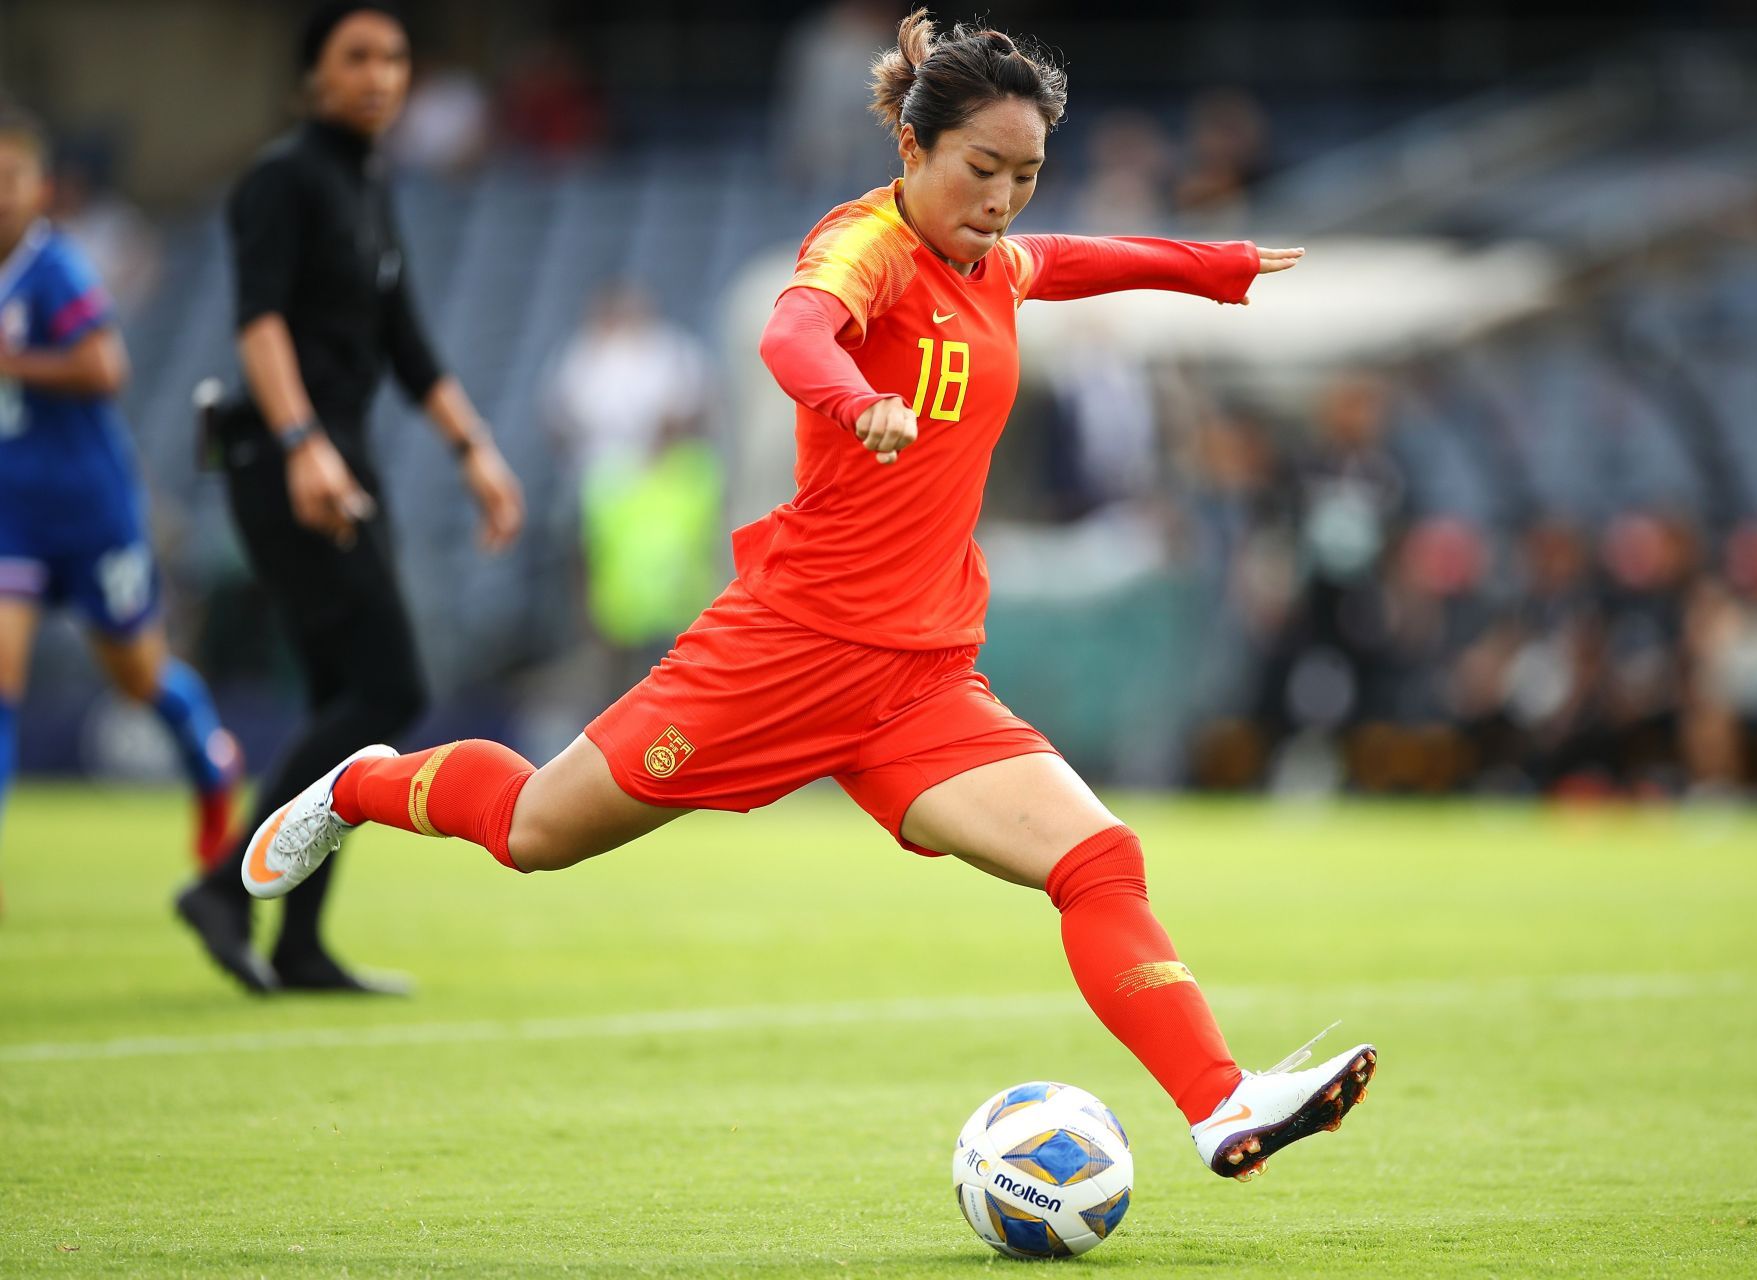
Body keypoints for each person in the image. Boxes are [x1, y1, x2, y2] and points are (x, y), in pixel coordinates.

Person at [236, 9, 1372, 1191]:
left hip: (920, 678)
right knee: (533, 832)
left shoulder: (996, 260)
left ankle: (1221, 1100)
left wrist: (1217, 269)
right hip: (781, 652)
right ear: (917, 151)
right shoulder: (864, 247)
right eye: (982, 170)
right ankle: (361, 782)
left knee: (1099, 859)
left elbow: (1078, 258)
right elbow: (796, 331)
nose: (1002, 199)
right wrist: (846, 398)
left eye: (1024, 176)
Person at [174, 4, 524, 994]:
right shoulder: (282, 179)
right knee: (391, 688)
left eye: (395, 58)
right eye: (356, 57)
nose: (380, 75)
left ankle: (298, 940)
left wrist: (477, 452)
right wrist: (302, 443)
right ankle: (226, 885)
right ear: (309, 79)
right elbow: (259, 322)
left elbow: (407, 343)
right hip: (289, 465)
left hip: (340, 463)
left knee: (348, 705)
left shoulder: (368, 183)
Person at [0, 109, 242, 897]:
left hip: (92, 512)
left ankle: (212, 765)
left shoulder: (53, 268)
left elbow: (106, 368)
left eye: (10, 180)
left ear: (41, 188)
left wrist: (14, 362)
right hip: (14, 516)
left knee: (139, 678)